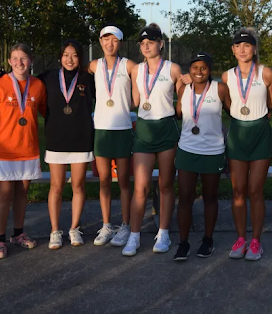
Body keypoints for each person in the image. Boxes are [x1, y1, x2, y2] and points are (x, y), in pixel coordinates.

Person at [0, 43, 46, 259]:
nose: (19, 62)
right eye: (15, 58)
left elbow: (48, 113)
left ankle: (18, 233)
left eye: (24, 58)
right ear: (9, 61)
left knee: (21, 193)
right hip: (2, 151)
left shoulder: (37, 86)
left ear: (31, 60)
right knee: (3, 194)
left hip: (28, 149)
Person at [123, 24, 184, 256]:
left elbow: (181, 104)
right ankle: (134, 236)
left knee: (166, 184)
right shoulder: (136, 70)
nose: (147, 45)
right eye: (143, 43)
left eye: (151, 41)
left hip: (167, 128)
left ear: (161, 44)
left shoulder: (173, 69)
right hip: (145, 130)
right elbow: (136, 102)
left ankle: (164, 232)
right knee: (140, 187)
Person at [172, 52, 231, 261]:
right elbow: (178, 114)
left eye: (203, 67)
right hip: (187, 149)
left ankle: (207, 240)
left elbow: (234, 112)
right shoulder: (183, 89)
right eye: (195, 67)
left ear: (210, 70)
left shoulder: (220, 89)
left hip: (212, 151)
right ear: (189, 70)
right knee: (185, 197)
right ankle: (183, 243)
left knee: (210, 196)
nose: (199, 71)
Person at [224, 28, 272, 261]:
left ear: (254, 49)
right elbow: (227, 104)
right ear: (233, 50)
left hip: (260, 134)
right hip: (237, 133)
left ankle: (256, 241)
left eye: (247, 45)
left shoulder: (266, 74)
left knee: (255, 191)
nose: (243, 49)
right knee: (238, 191)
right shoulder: (227, 77)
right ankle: (240, 238)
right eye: (238, 46)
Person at [38, 39, 95, 249]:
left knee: (78, 186)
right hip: (56, 140)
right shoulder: (48, 77)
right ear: (60, 57)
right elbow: (25, 83)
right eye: (66, 55)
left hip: (81, 140)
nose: (69, 59)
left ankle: (74, 229)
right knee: (56, 186)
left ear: (80, 58)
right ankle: (55, 231)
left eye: (74, 55)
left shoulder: (88, 78)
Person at [88, 25, 136, 247]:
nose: (110, 44)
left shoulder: (129, 65)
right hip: (101, 130)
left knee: (125, 181)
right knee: (105, 180)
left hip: (123, 129)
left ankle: (125, 225)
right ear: (100, 42)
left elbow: (151, 76)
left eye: (114, 40)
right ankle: (107, 225)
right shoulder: (93, 65)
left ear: (120, 43)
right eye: (106, 40)